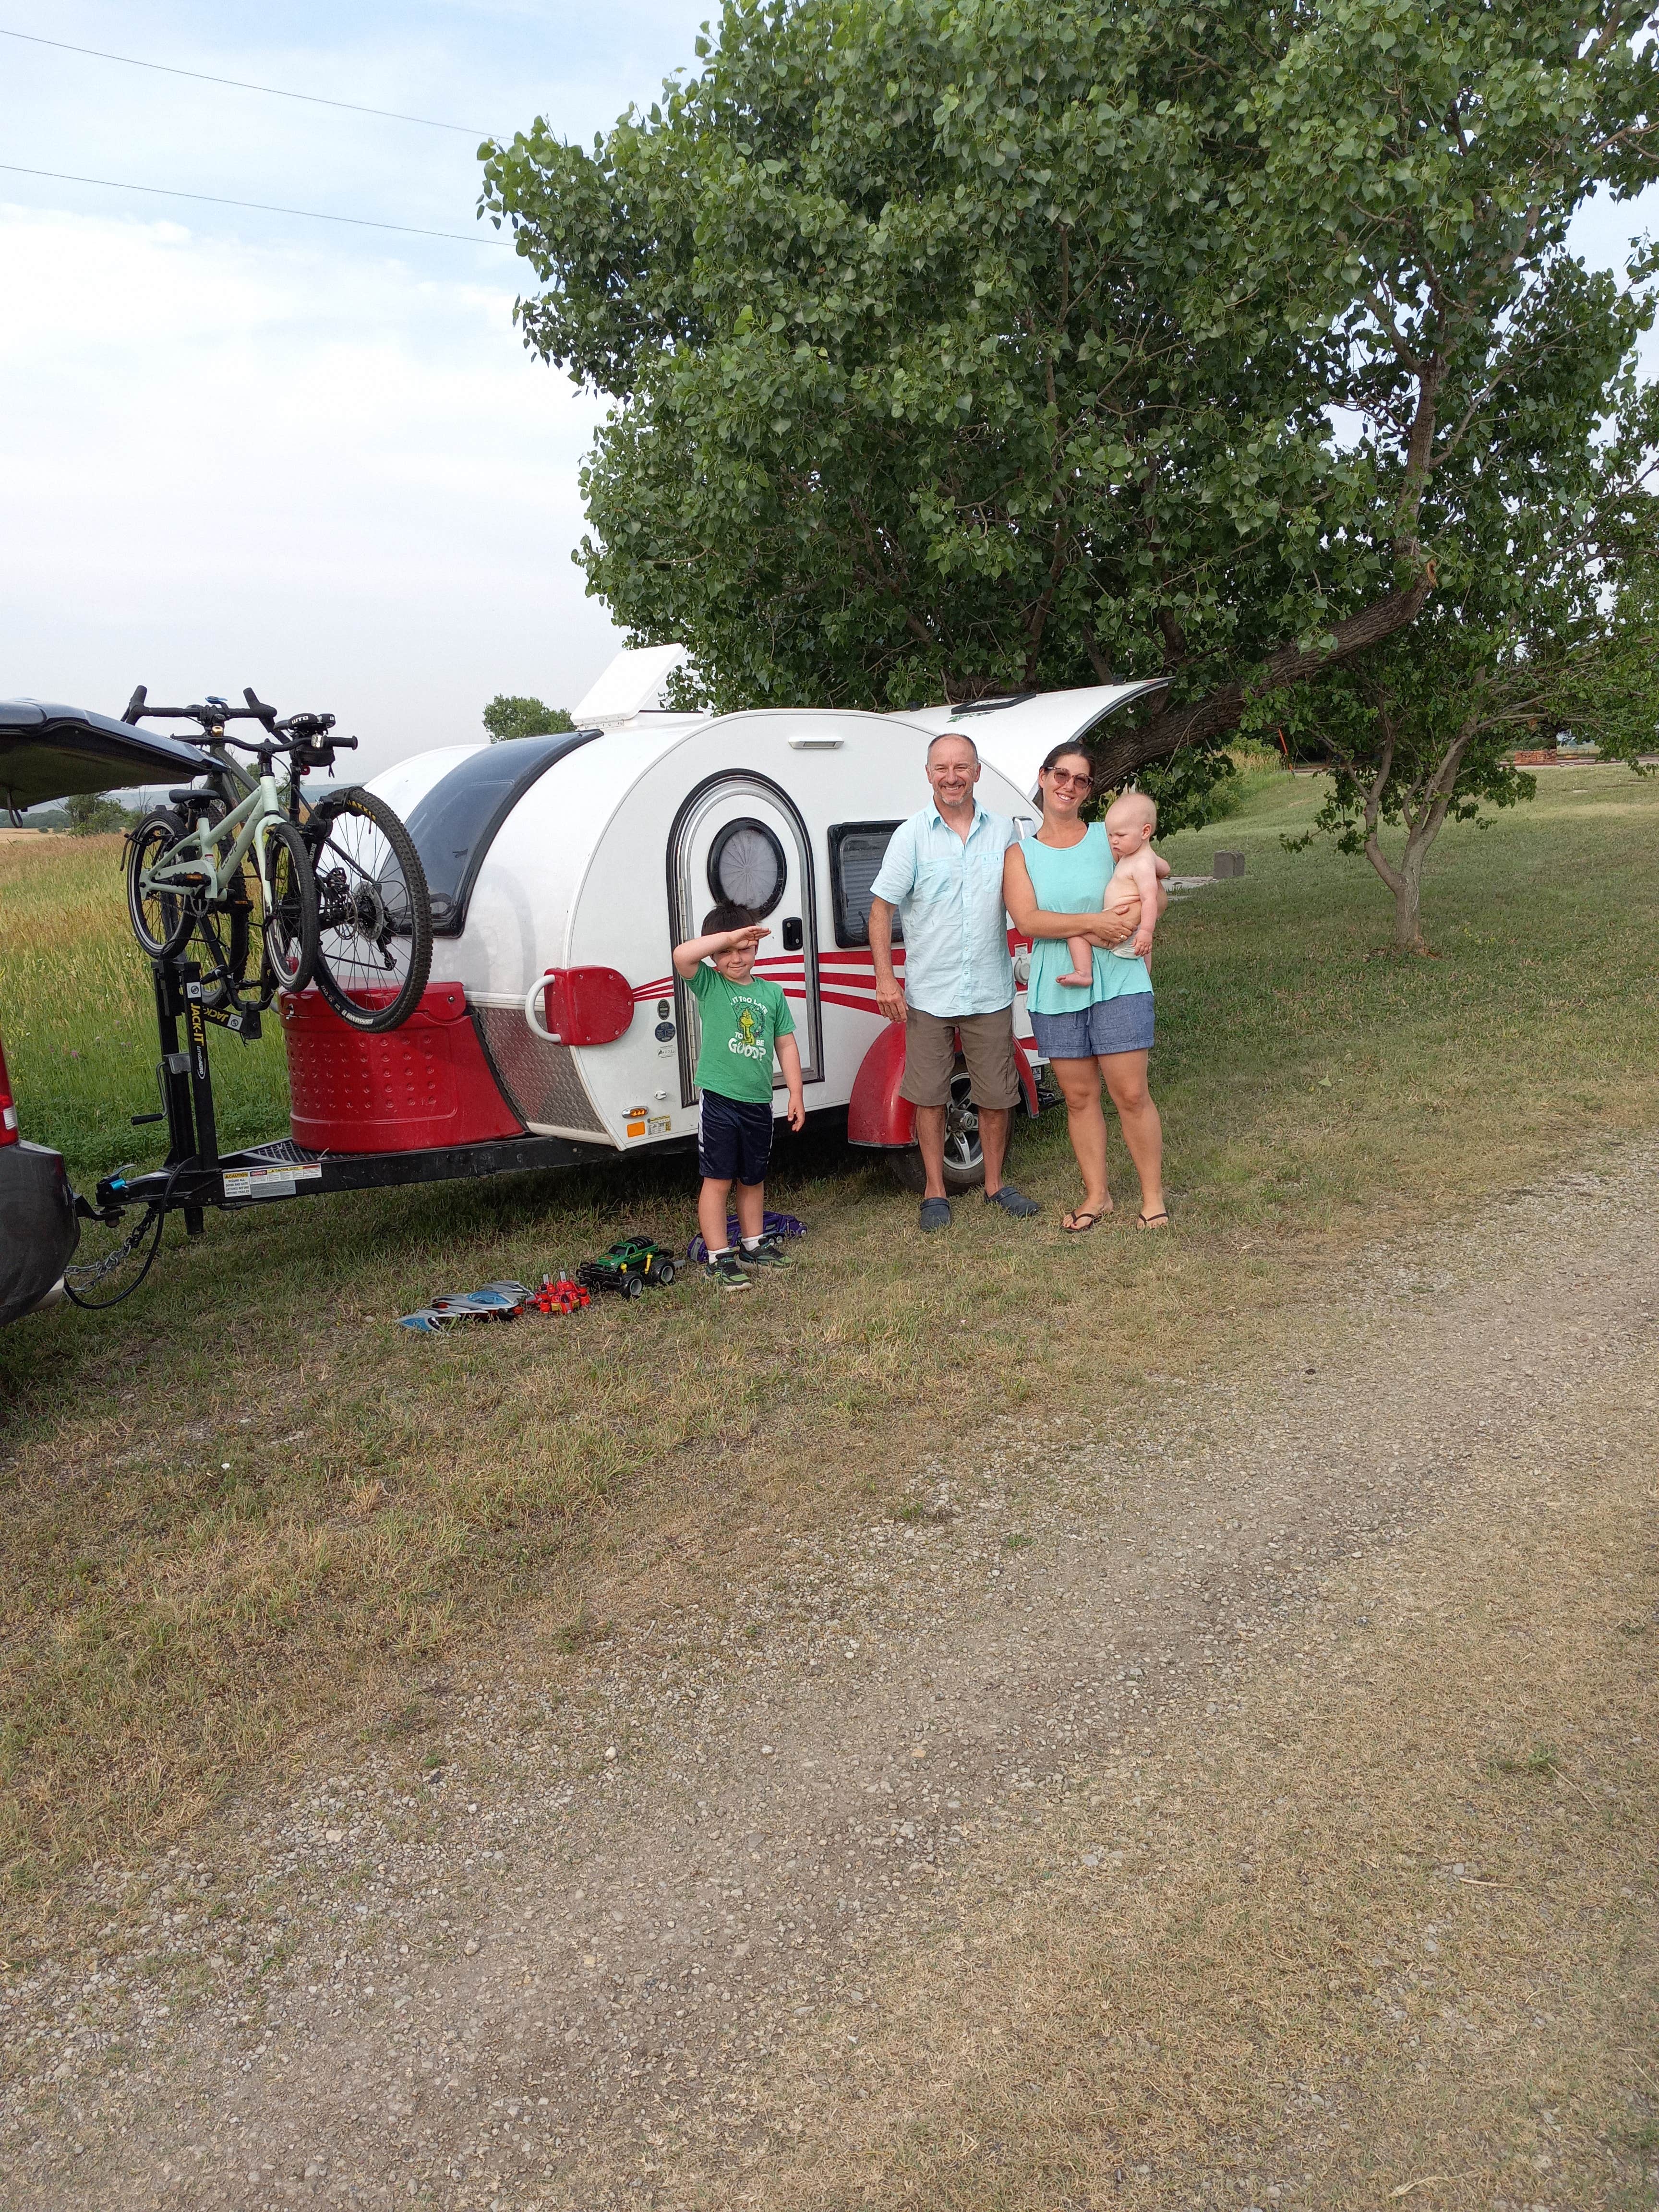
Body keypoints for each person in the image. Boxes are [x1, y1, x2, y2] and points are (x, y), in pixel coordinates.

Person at [868, 730, 1042, 1233]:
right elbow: (880, 910)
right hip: (930, 992)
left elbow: (1028, 897)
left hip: (988, 988)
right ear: (928, 775)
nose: (952, 776)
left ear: (977, 771)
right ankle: (935, 1192)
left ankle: (994, 1185)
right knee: (928, 1095)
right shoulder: (911, 836)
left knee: (996, 1093)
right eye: (942, 768)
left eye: (961, 766)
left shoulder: (1004, 834)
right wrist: (886, 979)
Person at [1002, 744, 1169, 1234]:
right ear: (1043, 777)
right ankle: (1098, 1196)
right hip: (1058, 985)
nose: (1068, 785)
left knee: (1132, 1093)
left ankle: (1153, 1200)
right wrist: (1093, 921)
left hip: (1119, 979)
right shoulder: (1021, 853)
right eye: (1061, 774)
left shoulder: (1109, 836)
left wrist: (1134, 922)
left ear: (1089, 790)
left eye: (1081, 779)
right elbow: (1028, 919)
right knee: (1078, 1098)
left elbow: (1155, 884)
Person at [672, 902, 806, 1292]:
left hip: (758, 1102)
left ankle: (753, 1244)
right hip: (719, 1100)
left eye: (744, 949)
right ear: (714, 953)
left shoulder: (772, 993)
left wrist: (795, 1093)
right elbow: (682, 955)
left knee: (753, 1177)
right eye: (727, 951)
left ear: (757, 950)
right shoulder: (710, 984)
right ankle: (718, 1257)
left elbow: (786, 1044)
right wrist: (730, 936)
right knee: (718, 1180)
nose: (736, 958)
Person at [1056, 791, 1168, 985]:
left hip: (1122, 930)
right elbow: (1165, 868)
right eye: (1110, 834)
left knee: (1075, 931)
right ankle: (1145, 974)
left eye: (1121, 835)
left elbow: (1150, 899)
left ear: (1145, 832)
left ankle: (1083, 973)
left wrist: (1147, 932)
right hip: (1127, 928)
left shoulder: (1141, 864)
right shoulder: (1145, 857)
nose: (1113, 841)